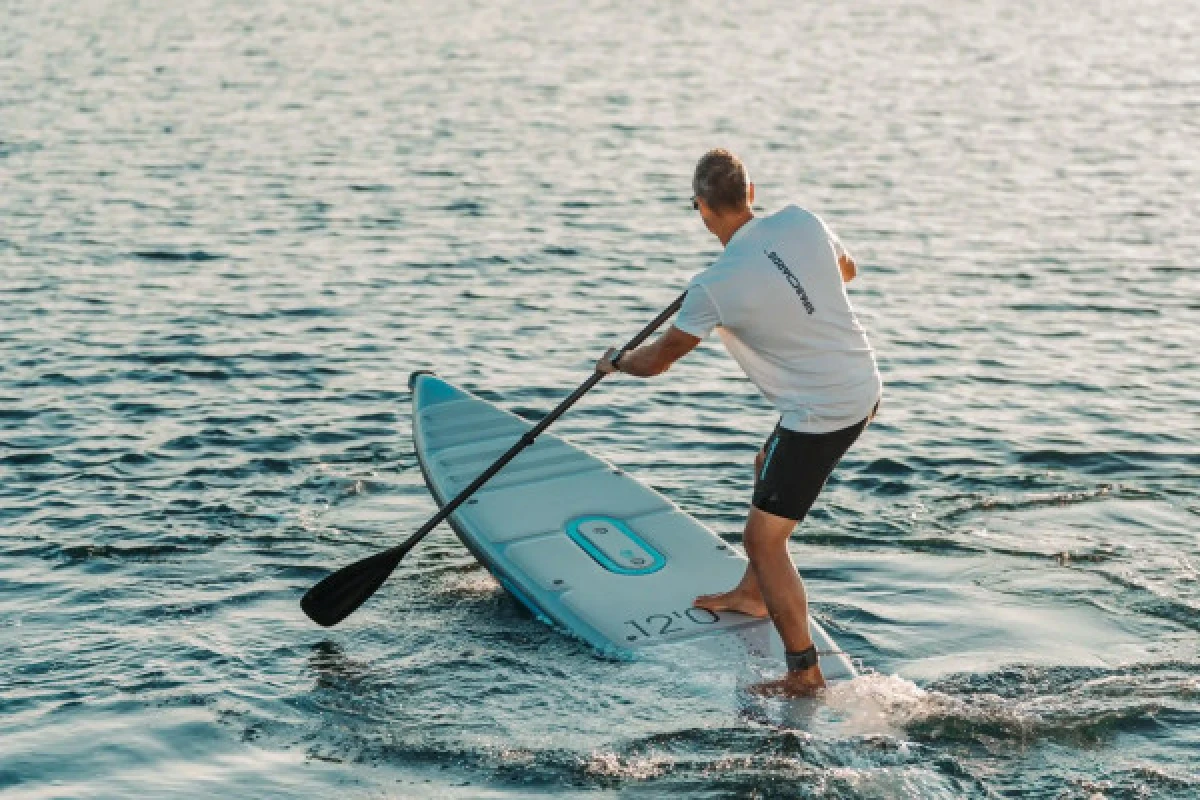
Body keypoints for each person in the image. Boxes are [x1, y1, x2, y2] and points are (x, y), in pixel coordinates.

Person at [595, 149, 882, 696]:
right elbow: (848, 270)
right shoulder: (802, 220)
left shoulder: (714, 285)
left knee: (764, 539)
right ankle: (754, 594)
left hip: (821, 413)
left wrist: (616, 362)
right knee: (765, 461)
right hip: (863, 387)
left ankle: (804, 673)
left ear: (702, 209)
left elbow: (655, 361)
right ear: (751, 193)